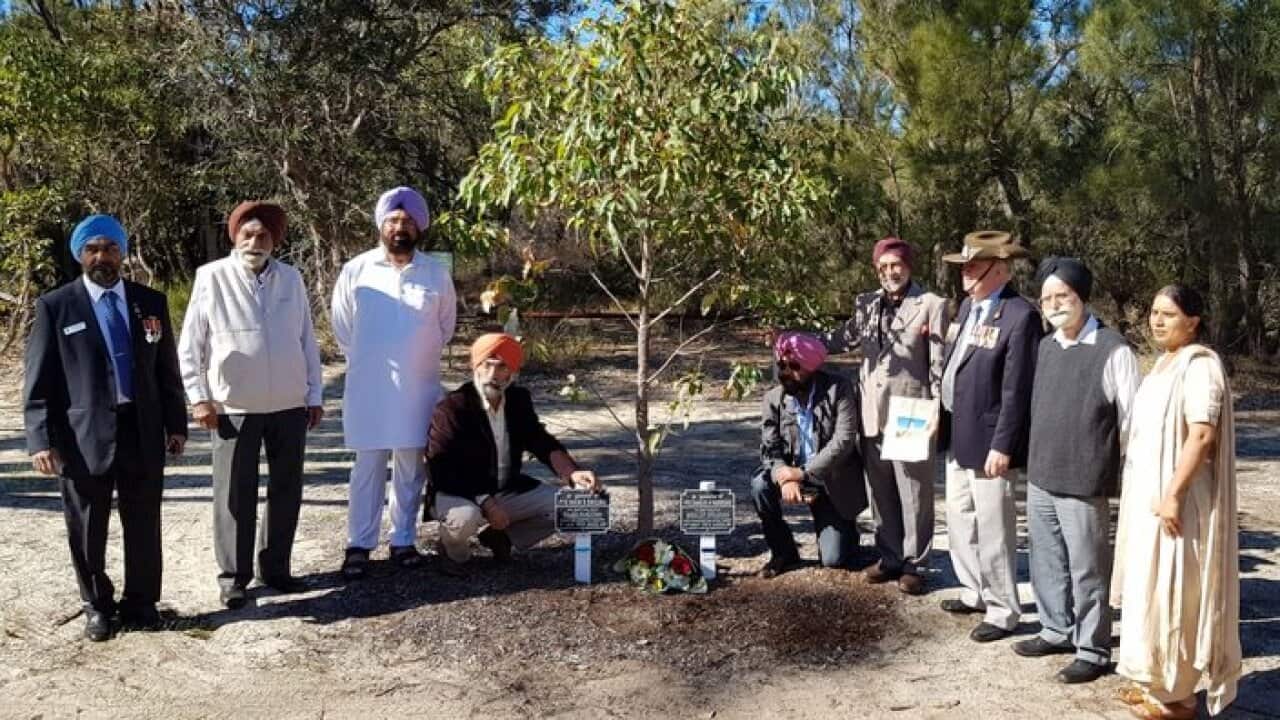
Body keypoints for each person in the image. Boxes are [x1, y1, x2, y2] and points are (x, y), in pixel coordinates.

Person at [23, 214, 187, 641]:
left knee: (144, 520)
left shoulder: (149, 302)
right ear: (80, 255)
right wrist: (40, 438)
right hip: (82, 436)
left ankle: (142, 602)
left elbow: (167, 371)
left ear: (123, 253)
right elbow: (38, 381)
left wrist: (176, 424)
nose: (103, 257)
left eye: (111, 248)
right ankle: (97, 605)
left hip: (143, 429)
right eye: (93, 249)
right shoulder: (56, 306)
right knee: (87, 525)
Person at [178, 201, 324, 609]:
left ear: (275, 241)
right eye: (248, 234)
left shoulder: (291, 279)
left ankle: (274, 568)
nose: (255, 242)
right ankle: (233, 578)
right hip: (232, 406)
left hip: (289, 405)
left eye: (263, 236)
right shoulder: (211, 277)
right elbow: (191, 345)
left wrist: (313, 395)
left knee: (286, 489)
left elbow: (306, 340)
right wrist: (199, 397)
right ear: (235, 236)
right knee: (234, 494)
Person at [1111, 286, 1240, 719]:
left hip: (1179, 503)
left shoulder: (1199, 365)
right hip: (1149, 499)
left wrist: (1173, 495)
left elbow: (1202, 435)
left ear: (1193, 321)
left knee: (1174, 590)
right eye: (1153, 312)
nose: (1157, 320)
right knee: (1148, 588)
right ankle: (1156, 681)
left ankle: (1177, 695)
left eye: (1169, 313)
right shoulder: (1162, 365)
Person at [1013, 257, 1140, 683]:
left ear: (1081, 296)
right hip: (1042, 476)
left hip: (1084, 481)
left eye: (1062, 295)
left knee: (1087, 567)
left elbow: (1132, 420)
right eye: (1046, 297)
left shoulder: (1113, 349)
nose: (1053, 304)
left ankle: (1093, 648)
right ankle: (1055, 629)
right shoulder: (1046, 346)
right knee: (1046, 560)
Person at [331, 186, 456, 579]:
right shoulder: (357, 270)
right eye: (393, 220)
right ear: (382, 225)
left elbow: (445, 328)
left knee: (409, 466)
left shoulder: (436, 273)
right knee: (367, 466)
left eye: (408, 221)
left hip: (418, 389)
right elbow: (343, 328)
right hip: (369, 388)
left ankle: (403, 539)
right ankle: (359, 544)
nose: (400, 227)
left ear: (419, 228)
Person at [822, 236, 948, 595]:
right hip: (871, 410)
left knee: (913, 491)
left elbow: (938, 362)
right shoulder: (865, 304)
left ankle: (915, 563)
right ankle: (890, 555)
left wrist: (936, 407)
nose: (890, 272)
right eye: (883, 267)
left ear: (908, 266)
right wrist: (797, 339)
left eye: (896, 265)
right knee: (880, 489)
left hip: (911, 409)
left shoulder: (931, 304)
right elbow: (841, 339)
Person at [937, 230, 1042, 642]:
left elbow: (1017, 391)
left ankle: (1002, 609)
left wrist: (1004, 444)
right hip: (957, 435)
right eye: (964, 265)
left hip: (990, 442)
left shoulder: (1020, 315)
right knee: (960, 520)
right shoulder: (967, 307)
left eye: (975, 266)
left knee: (994, 527)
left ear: (1000, 269)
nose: (966, 273)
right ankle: (974, 590)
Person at [426, 333, 602, 575]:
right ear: (474, 366)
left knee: (569, 505)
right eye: (486, 364)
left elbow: (540, 441)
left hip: (507, 488)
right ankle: (453, 553)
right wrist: (485, 502)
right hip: (461, 492)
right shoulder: (452, 408)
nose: (492, 374)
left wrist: (572, 472)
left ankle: (501, 537)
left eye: (501, 367)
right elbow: (440, 470)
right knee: (464, 519)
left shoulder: (518, 400)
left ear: (513, 372)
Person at [750, 331, 866, 577]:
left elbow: (843, 441)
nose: (786, 372)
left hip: (829, 479)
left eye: (794, 366)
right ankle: (783, 552)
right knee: (760, 484)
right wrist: (785, 475)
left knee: (834, 559)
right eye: (782, 365)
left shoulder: (839, 389)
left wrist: (804, 473)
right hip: (792, 474)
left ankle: (846, 534)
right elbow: (770, 446)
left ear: (811, 366)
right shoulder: (773, 398)